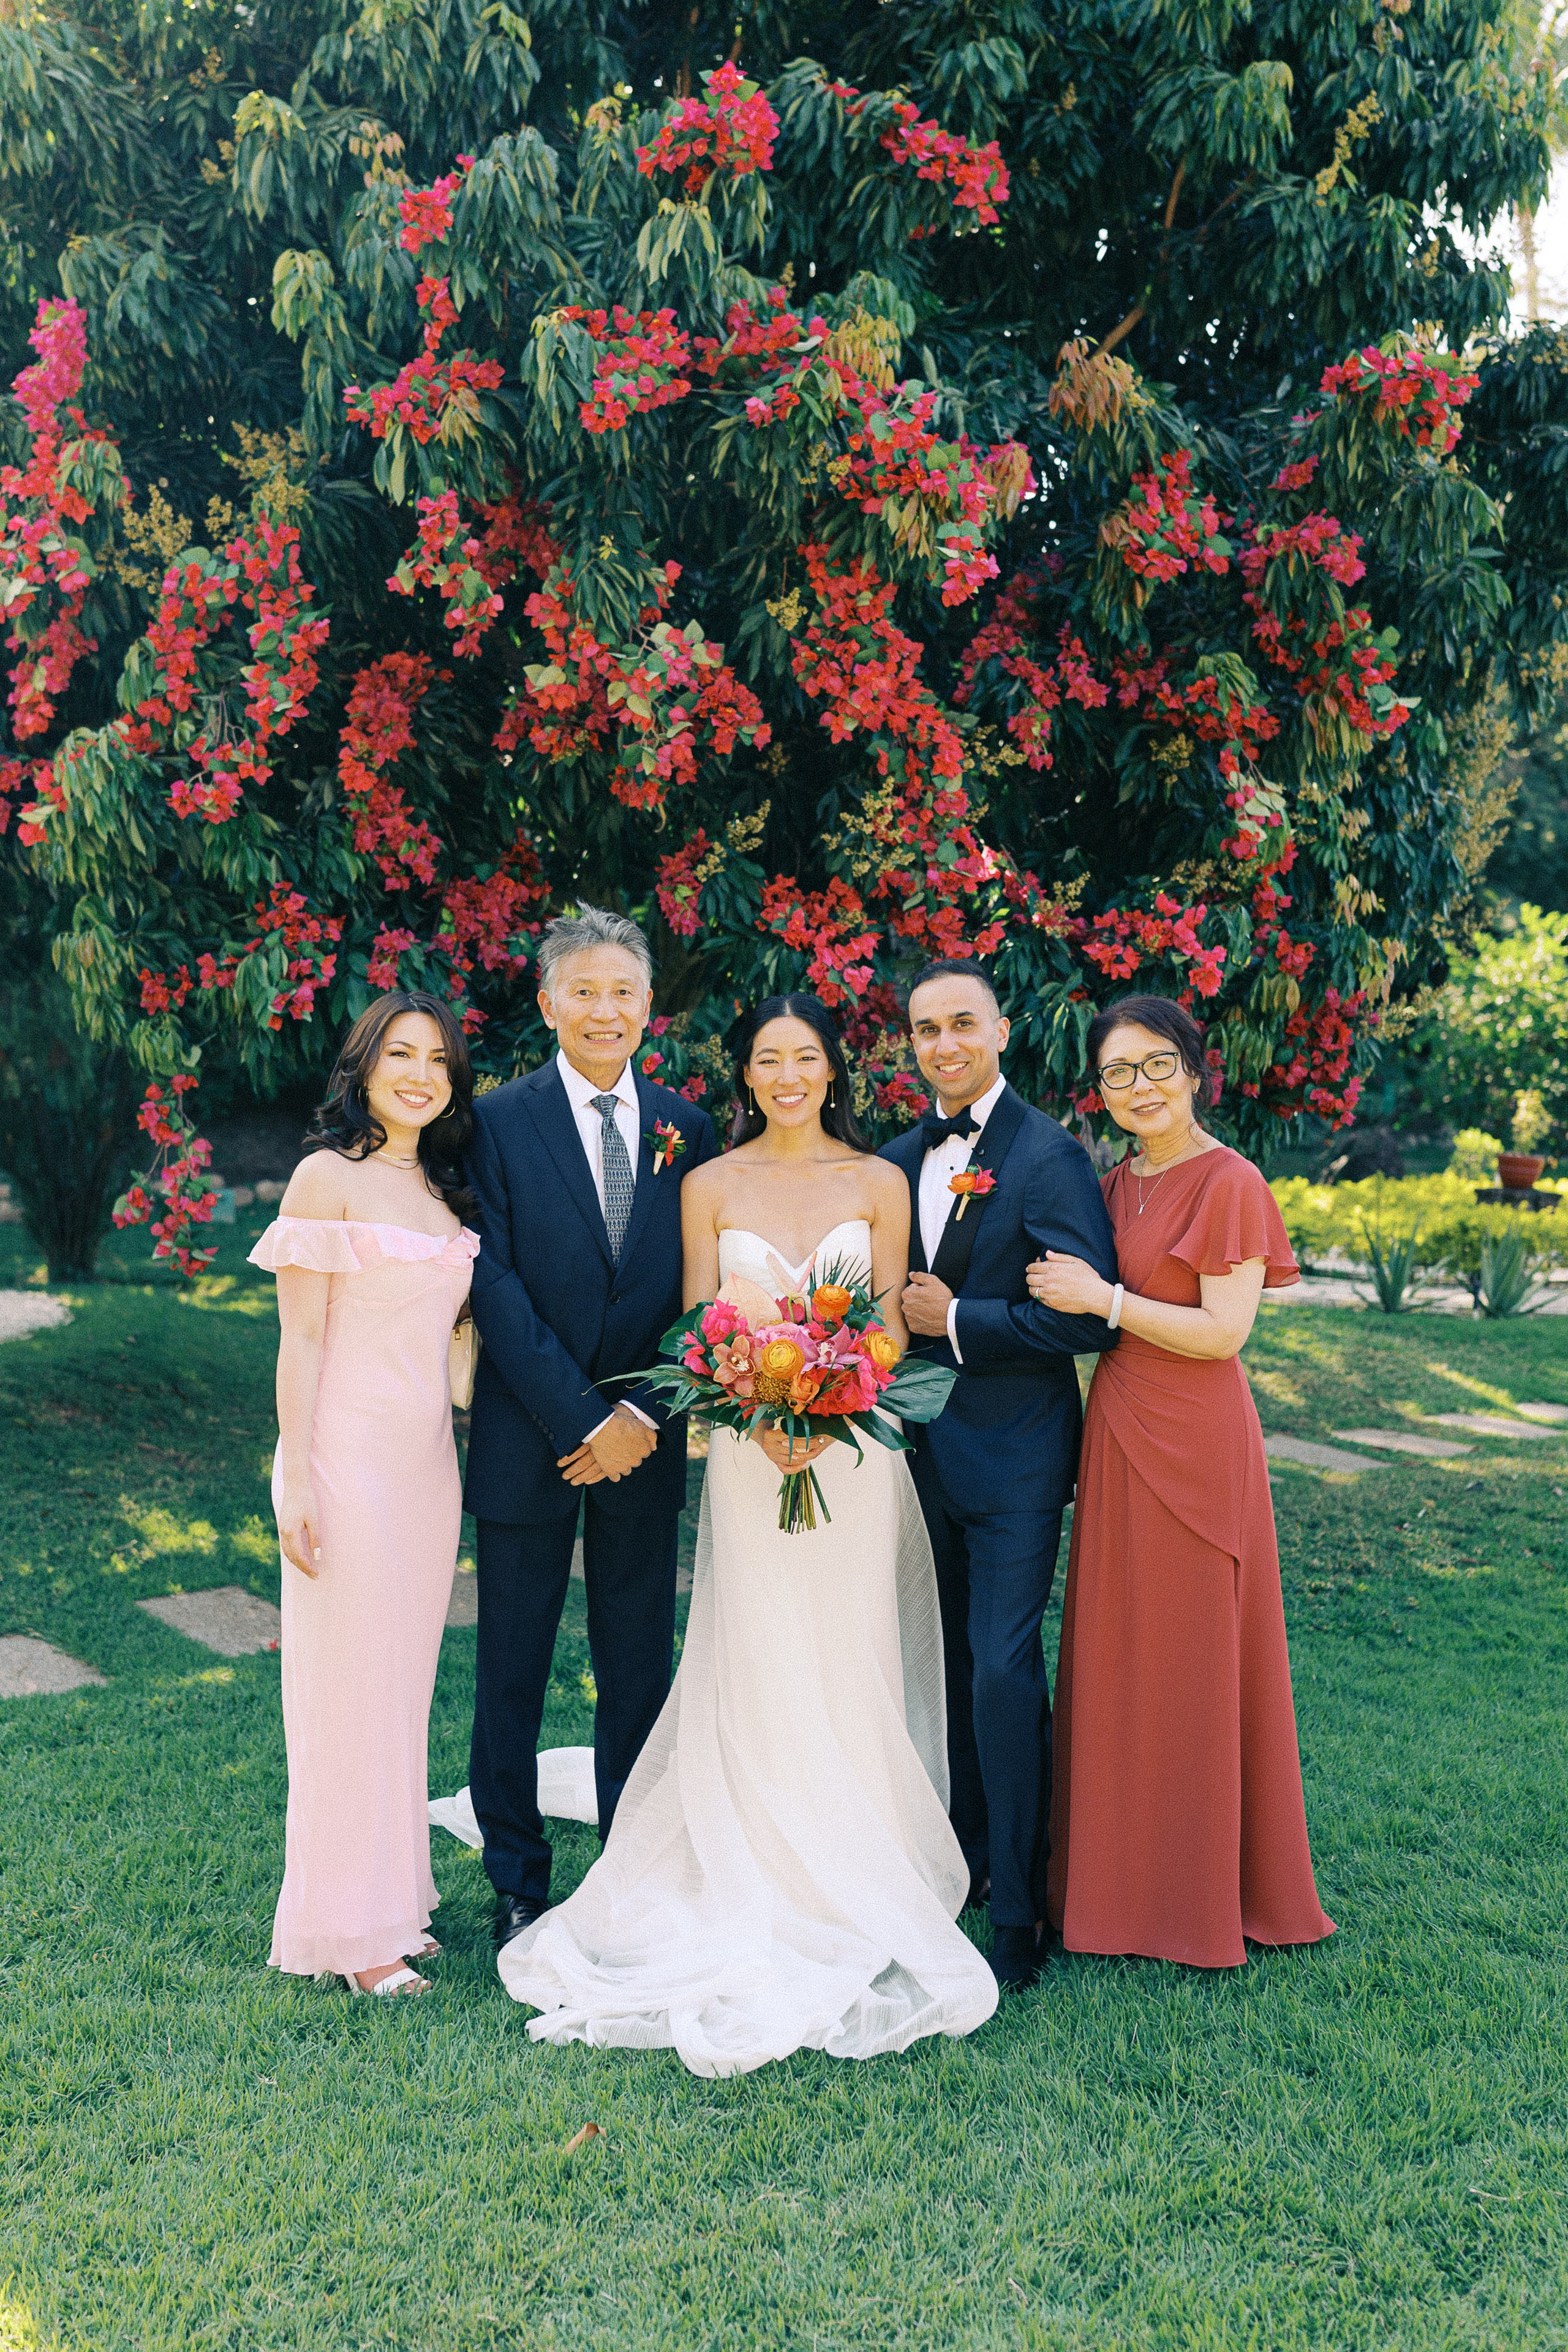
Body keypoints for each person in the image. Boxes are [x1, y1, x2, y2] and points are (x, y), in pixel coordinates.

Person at [497, 993, 999, 2075]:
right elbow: (696, 1327)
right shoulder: (708, 1184)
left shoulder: (876, 1182)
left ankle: (855, 1860)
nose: (786, 1076)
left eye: (804, 1058)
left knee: (847, 1643)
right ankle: (754, 1853)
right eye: (767, 1059)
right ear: (747, 1075)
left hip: (853, 1456)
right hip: (742, 1455)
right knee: (760, 1644)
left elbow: (883, 1327)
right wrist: (753, 1413)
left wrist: (831, 1405)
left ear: (832, 1071)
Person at [1028, 993, 1336, 1968]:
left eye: (1157, 1064)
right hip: (1119, 1425)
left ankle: (1200, 1892)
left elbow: (1223, 1333)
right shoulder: (1112, 1186)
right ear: (1102, 1090)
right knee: (1120, 1652)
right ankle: (1111, 1889)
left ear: (1196, 1070)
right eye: (1120, 1072)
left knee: (1196, 1656)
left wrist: (1108, 1299)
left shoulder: (1231, 1180)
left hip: (1200, 1437)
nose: (1140, 1087)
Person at [463, 906, 717, 1953]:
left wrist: (641, 1415)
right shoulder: (493, 1121)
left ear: (649, 1006)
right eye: (584, 990)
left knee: (636, 1667)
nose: (604, 1009)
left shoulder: (689, 1127)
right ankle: (518, 1878)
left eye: (624, 991)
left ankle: (629, 1866)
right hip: (533, 1437)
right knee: (511, 1669)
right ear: (548, 1002)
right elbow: (493, 1284)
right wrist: (582, 1417)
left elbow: (702, 1300)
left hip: (644, 1447)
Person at [879, 959, 1121, 1989]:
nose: (945, 1044)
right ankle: (968, 1860)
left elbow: (1082, 1310)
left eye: (963, 1024)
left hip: (1017, 1460)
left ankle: (1024, 1909)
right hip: (911, 1458)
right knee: (938, 1669)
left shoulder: (1050, 1157)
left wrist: (962, 1322)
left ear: (1004, 1031)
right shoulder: (894, 1160)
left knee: (1001, 1670)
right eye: (926, 1030)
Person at [249, 991, 480, 1996]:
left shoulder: (440, 1190)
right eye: (401, 1055)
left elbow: (453, 1349)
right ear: (365, 1067)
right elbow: (299, 1342)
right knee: (344, 1694)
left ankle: (394, 1903)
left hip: (426, 1469)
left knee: (398, 1692)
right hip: (343, 1459)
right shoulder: (324, 1178)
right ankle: (350, 1935)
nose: (420, 1073)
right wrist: (297, 1472)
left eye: (437, 1059)